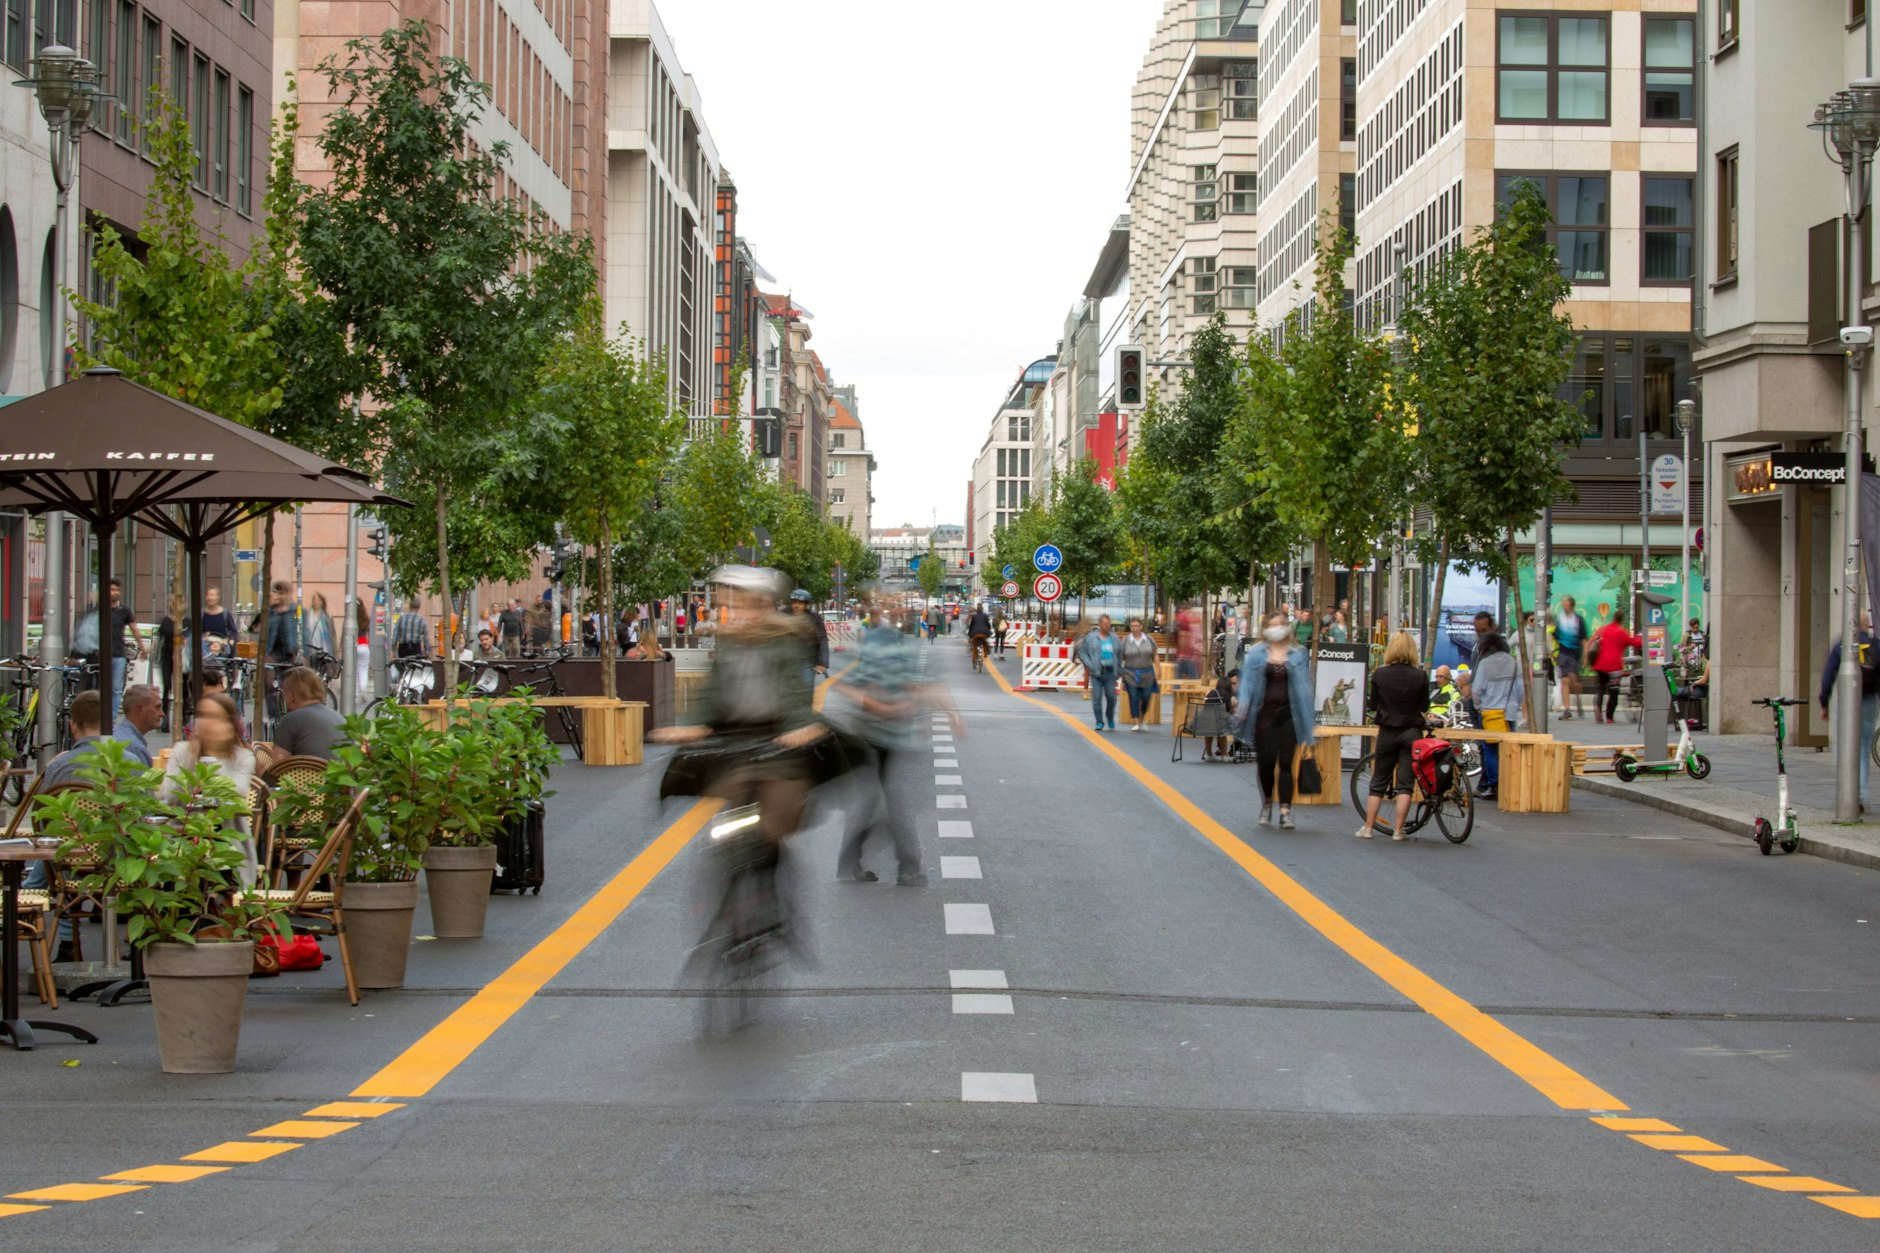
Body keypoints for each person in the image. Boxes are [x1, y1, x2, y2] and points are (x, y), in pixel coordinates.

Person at [833, 594, 932, 885]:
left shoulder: (898, 640)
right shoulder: (873, 638)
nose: (899, 611)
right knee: (891, 802)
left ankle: (855, 864)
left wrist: (922, 707)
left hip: (888, 735)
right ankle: (907, 866)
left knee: (882, 801)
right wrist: (885, 708)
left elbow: (904, 679)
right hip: (870, 734)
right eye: (893, 607)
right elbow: (851, 685)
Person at [161, 690, 261, 885]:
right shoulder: (182, 751)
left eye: (213, 717)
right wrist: (194, 754)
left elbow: (231, 795)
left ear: (229, 724)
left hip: (225, 839)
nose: (205, 722)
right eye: (201, 715)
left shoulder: (242, 757)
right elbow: (168, 793)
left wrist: (212, 759)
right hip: (181, 837)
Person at [1232, 611, 1315, 829]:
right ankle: (1267, 802)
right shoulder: (1257, 654)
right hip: (1264, 716)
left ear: (1287, 627)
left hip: (1290, 715)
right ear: (1266, 629)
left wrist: (1309, 719)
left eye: (1281, 625)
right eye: (1273, 625)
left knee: (1286, 763)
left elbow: (1304, 687)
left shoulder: (1298, 653)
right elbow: (1248, 683)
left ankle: (1285, 811)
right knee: (1266, 764)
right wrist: (1243, 704)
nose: (1277, 629)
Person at [1360, 632, 1431, 841]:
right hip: (1411, 732)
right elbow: (1424, 706)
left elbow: (1373, 705)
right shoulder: (1420, 675)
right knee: (1405, 784)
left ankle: (1368, 828)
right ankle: (1399, 830)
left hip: (1387, 731)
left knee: (1378, 781)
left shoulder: (1381, 674)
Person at [1819, 610, 1880, 812]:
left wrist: (1824, 702)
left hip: (1847, 701)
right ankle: (1861, 794)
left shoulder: (1842, 645)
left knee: (1843, 747)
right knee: (1863, 747)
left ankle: (1847, 793)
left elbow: (1829, 675)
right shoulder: (1876, 645)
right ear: (1866, 625)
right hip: (1870, 700)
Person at [73, 577, 144, 719]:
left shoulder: (124, 610)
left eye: (117, 590)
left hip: (118, 654)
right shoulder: (98, 610)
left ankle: (110, 719)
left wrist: (142, 646)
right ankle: (97, 716)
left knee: (116, 688)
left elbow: (134, 628)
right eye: (112, 590)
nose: (115, 592)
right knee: (98, 687)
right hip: (99, 655)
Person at [1471, 634, 1522, 801]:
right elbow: (1521, 689)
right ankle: (1508, 784)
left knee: (1490, 751)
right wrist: (1515, 705)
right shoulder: (1514, 663)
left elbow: (1477, 690)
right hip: (1509, 713)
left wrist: (1478, 706)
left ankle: (1494, 785)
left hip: (1489, 713)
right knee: (1508, 750)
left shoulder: (1485, 663)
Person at [271, 666, 348, 761]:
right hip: (344, 774)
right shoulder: (338, 717)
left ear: (290, 697)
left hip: (310, 775)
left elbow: (277, 767)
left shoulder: (291, 720)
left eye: (284, 694)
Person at [42, 689, 106, 789]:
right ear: (111, 725)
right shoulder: (131, 763)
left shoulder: (57, 767)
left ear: (72, 726)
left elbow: (42, 803)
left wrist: (45, 770)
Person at [1589, 611, 1642, 724]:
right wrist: (1644, 639)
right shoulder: (1620, 632)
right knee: (1613, 692)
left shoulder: (1602, 629)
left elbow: (1592, 643)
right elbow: (1634, 642)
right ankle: (1609, 717)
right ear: (1621, 620)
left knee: (1600, 688)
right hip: (1614, 666)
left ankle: (1597, 706)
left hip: (1599, 664)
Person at [1076, 614, 1122, 732]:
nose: (1108, 626)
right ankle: (1099, 721)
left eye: (1109, 623)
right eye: (1105, 624)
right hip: (1097, 672)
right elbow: (1082, 652)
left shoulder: (1114, 638)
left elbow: (1120, 654)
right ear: (1100, 624)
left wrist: (1119, 669)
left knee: (1111, 697)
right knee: (1096, 698)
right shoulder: (1091, 637)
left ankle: (1110, 716)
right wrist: (1089, 664)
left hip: (1110, 672)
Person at [1119, 617, 1158, 732]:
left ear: (1141, 627)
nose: (1134, 628)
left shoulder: (1149, 639)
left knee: (1146, 698)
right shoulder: (1126, 641)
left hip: (1147, 673)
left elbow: (1155, 655)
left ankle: (1142, 717)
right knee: (1134, 697)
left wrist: (1158, 670)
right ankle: (1136, 722)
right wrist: (1120, 673)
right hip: (1130, 673)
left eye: (1136, 626)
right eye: (1132, 626)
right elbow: (1121, 657)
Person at [1553, 597, 1589, 720]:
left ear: (1572, 606)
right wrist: (1551, 651)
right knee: (1564, 680)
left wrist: (1586, 655)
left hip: (1575, 652)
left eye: (1567, 605)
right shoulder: (1560, 620)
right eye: (1563, 605)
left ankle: (1578, 698)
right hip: (1563, 652)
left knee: (1573, 679)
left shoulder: (1578, 620)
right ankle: (1567, 709)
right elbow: (1554, 636)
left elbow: (1584, 639)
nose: (1565, 607)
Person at [113, 683, 161, 768]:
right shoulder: (136, 749)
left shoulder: (116, 734)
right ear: (140, 709)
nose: (162, 714)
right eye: (157, 707)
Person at [788, 590, 830, 685]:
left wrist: (822, 663)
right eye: (794, 602)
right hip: (788, 664)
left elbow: (822, 639)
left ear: (806, 605)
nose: (796, 606)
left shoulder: (815, 618)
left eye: (800, 603)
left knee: (806, 691)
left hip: (807, 662)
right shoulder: (785, 617)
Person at [302, 591, 336, 663]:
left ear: (322, 602)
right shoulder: (307, 615)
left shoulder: (327, 616)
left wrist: (334, 651)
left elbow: (332, 635)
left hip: (324, 648)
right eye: (314, 600)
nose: (316, 602)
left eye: (318, 600)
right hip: (311, 647)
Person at [965, 603, 993, 667]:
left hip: (975, 633)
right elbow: (988, 625)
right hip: (984, 633)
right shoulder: (985, 616)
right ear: (982, 609)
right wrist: (989, 630)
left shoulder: (974, 616)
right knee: (985, 642)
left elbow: (971, 626)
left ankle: (974, 660)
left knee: (975, 646)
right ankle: (986, 653)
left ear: (977, 610)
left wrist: (970, 633)